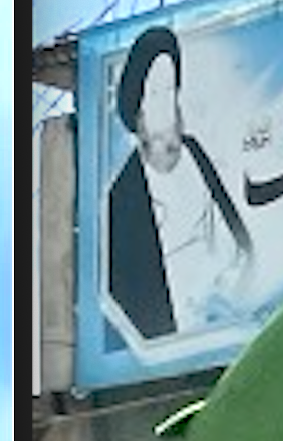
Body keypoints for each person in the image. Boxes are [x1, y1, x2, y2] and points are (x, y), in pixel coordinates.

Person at [104, 25, 254, 345]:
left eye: (169, 89)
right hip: (173, 332)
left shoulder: (194, 153)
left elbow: (237, 238)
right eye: (154, 92)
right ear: (138, 103)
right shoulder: (125, 189)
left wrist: (232, 283)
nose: (164, 103)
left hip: (223, 309)